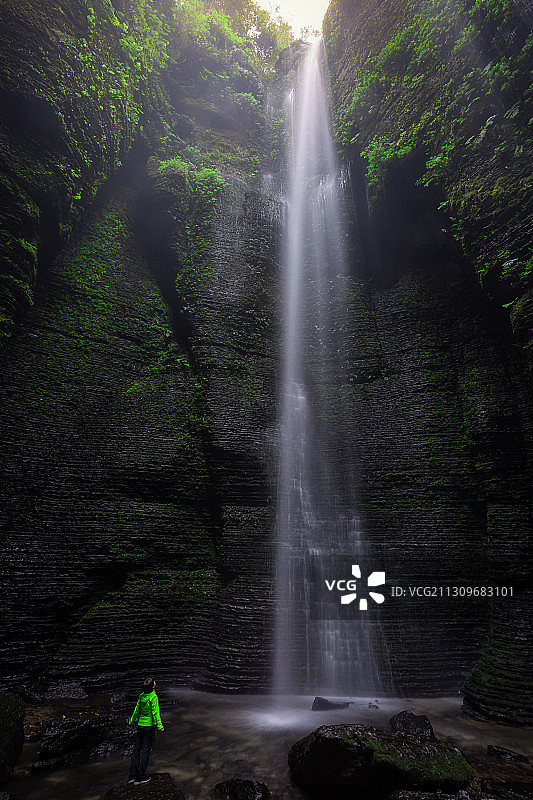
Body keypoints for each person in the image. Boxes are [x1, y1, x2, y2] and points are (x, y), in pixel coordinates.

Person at [127, 676, 165, 785]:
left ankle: (132, 776)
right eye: (154, 682)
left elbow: (136, 709)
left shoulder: (142, 696)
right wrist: (160, 726)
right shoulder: (153, 697)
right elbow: (155, 712)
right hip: (149, 727)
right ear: (153, 685)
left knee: (136, 751)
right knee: (145, 751)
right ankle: (140, 777)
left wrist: (131, 721)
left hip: (140, 726)